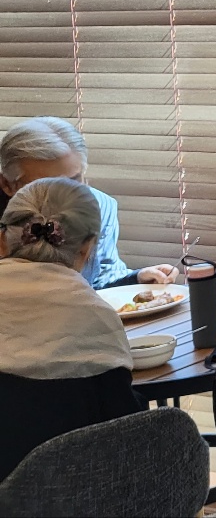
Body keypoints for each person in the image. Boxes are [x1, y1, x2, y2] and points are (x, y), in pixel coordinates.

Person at [0, 176, 145, 481]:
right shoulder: (94, 315)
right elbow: (124, 431)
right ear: (88, 248)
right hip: (75, 488)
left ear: (2, 241)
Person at [0, 117, 178, 290]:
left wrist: (136, 279)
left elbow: (99, 280)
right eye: (44, 187)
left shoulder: (100, 207)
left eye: (73, 181)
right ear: (7, 185)